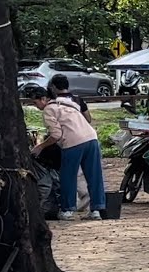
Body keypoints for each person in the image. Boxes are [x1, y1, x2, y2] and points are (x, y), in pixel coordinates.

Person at [29, 87, 106, 220]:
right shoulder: (66, 102)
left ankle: (67, 210)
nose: (36, 107)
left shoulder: (48, 109)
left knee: (68, 177)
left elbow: (56, 135)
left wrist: (40, 147)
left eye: (35, 103)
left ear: (43, 99)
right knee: (94, 176)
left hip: (73, 142)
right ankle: (96, 210)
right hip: (92, 138)